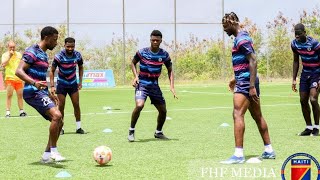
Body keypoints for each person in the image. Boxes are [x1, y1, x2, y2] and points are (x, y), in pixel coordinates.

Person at [220, 12, 275, 164]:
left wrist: (250, 86)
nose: (224, 30)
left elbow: (253, 60)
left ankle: (238, 155)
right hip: (245, 80)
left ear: (232, 22)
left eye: (225, 26)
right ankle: (269, 150)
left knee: (237, 114)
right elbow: (244, 62)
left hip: (246, 83)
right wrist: (234, 78)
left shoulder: (241, 38)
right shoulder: (242, 37)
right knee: (258, 116)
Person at [15, 26, 65, 163]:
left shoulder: (43, 54)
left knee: (59, 122)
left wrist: (50, 92)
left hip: (40, 92)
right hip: (32, 92)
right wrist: (34, 83)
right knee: (57, 115)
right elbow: (19, 71)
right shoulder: (32, 51)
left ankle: (46, 156)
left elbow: (42, 76)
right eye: (54, 40)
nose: (55, 43)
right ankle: (54, 151)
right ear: (46, 37)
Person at [127, 30, 177, 142]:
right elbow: (133, 62)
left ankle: (158, 132)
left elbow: (170, 70)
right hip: (142, 84)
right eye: (153, 40)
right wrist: (136, 76)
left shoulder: (164, 54)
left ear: (160, 41)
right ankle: (131, 130)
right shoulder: (142, 52)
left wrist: (172, 86)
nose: (155, 42)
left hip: (154, 86)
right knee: (139, 105)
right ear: (150, 40)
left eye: (157, 40)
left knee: (163, 110)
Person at [49, 37, 85, 135]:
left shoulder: (77, 55)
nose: (70, 48)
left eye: (72, 46)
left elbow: (81, 67)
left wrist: (80, 81)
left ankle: (79, 127)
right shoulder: (59, 56)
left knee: (76, 105)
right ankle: (61, 128)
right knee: (61, 106)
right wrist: (52, 86)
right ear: (64, 45)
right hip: (62, 85)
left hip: (73, 84)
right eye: (68, 46)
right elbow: (52, 71)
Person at [291, 23, 320, 136]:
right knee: (303, 100)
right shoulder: (294, 44)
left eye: (299, 34)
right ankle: (308, 127)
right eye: (295, 34)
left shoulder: (314, 43)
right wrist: (294, 78)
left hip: (316, 74)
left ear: (304, 32)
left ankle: (316, 127)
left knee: (313, 99)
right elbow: (295, 61)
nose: (296, 36)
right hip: (305, 74)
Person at [1, 41, 27, 117]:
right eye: (10, 47)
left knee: (20, 95)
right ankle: (8, 112)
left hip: (18, 78)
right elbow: (3, 64)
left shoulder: (19, 54)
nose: (12, 48)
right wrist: (10, 56)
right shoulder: (5, 55)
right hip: (9, 78)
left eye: (13, 47)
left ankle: (21, 111)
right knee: (9, 95)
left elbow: (22, 64)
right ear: (8, 47)